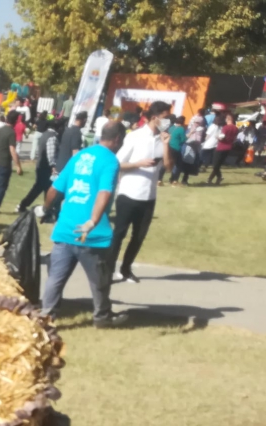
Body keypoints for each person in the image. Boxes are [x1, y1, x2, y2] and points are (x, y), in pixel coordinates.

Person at [40, 120, 128, 329]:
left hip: (65, 228)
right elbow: (104, 192)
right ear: (117, 139)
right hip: (90, 234)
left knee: (55, 278)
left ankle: (46, 317)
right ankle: (102, 318)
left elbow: (55, 188)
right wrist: (93, 221)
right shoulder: (110, 161)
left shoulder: (80, 156)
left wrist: (44, 208)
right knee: (99, 280)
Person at [110, 101, 172, 283]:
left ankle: (126, 269)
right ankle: (108, 270)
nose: (168, 121)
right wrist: (138, 164)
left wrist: (166, 145)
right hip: (129, 193)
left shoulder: (163, 138)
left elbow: (168, 168)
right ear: (155, 118)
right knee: (119, 234)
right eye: (166, 118)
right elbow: (116, 163)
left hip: (149, 196)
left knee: (139, 236)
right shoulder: (135, 137)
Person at [16, 115, 58, 213]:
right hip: (46, 167)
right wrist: (53, 166)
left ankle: (46, 209)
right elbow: (51, 154)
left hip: (40, 165)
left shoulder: (44, 134)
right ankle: (24, 204)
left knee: (45, 188)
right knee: (41, 188)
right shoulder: (52, 137)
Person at [207, 112, 238, 185]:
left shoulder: (226, 127)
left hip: (221, 146)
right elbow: (235, 138)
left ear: (228, 119)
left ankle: (219, 176)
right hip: (229, 147)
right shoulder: (235, 128)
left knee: (215, 164)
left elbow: (222, 137)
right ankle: (211, 179)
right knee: (218, 165)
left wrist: (217, 137)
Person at [167, 115, 187, 185]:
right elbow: (183, 140)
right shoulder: (181, 129)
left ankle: (159, 179)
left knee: (168, 163)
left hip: (168, 146)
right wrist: (188, 136)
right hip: (176, 148)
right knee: (178, 165)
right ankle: (174, 179)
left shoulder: (171, 127)